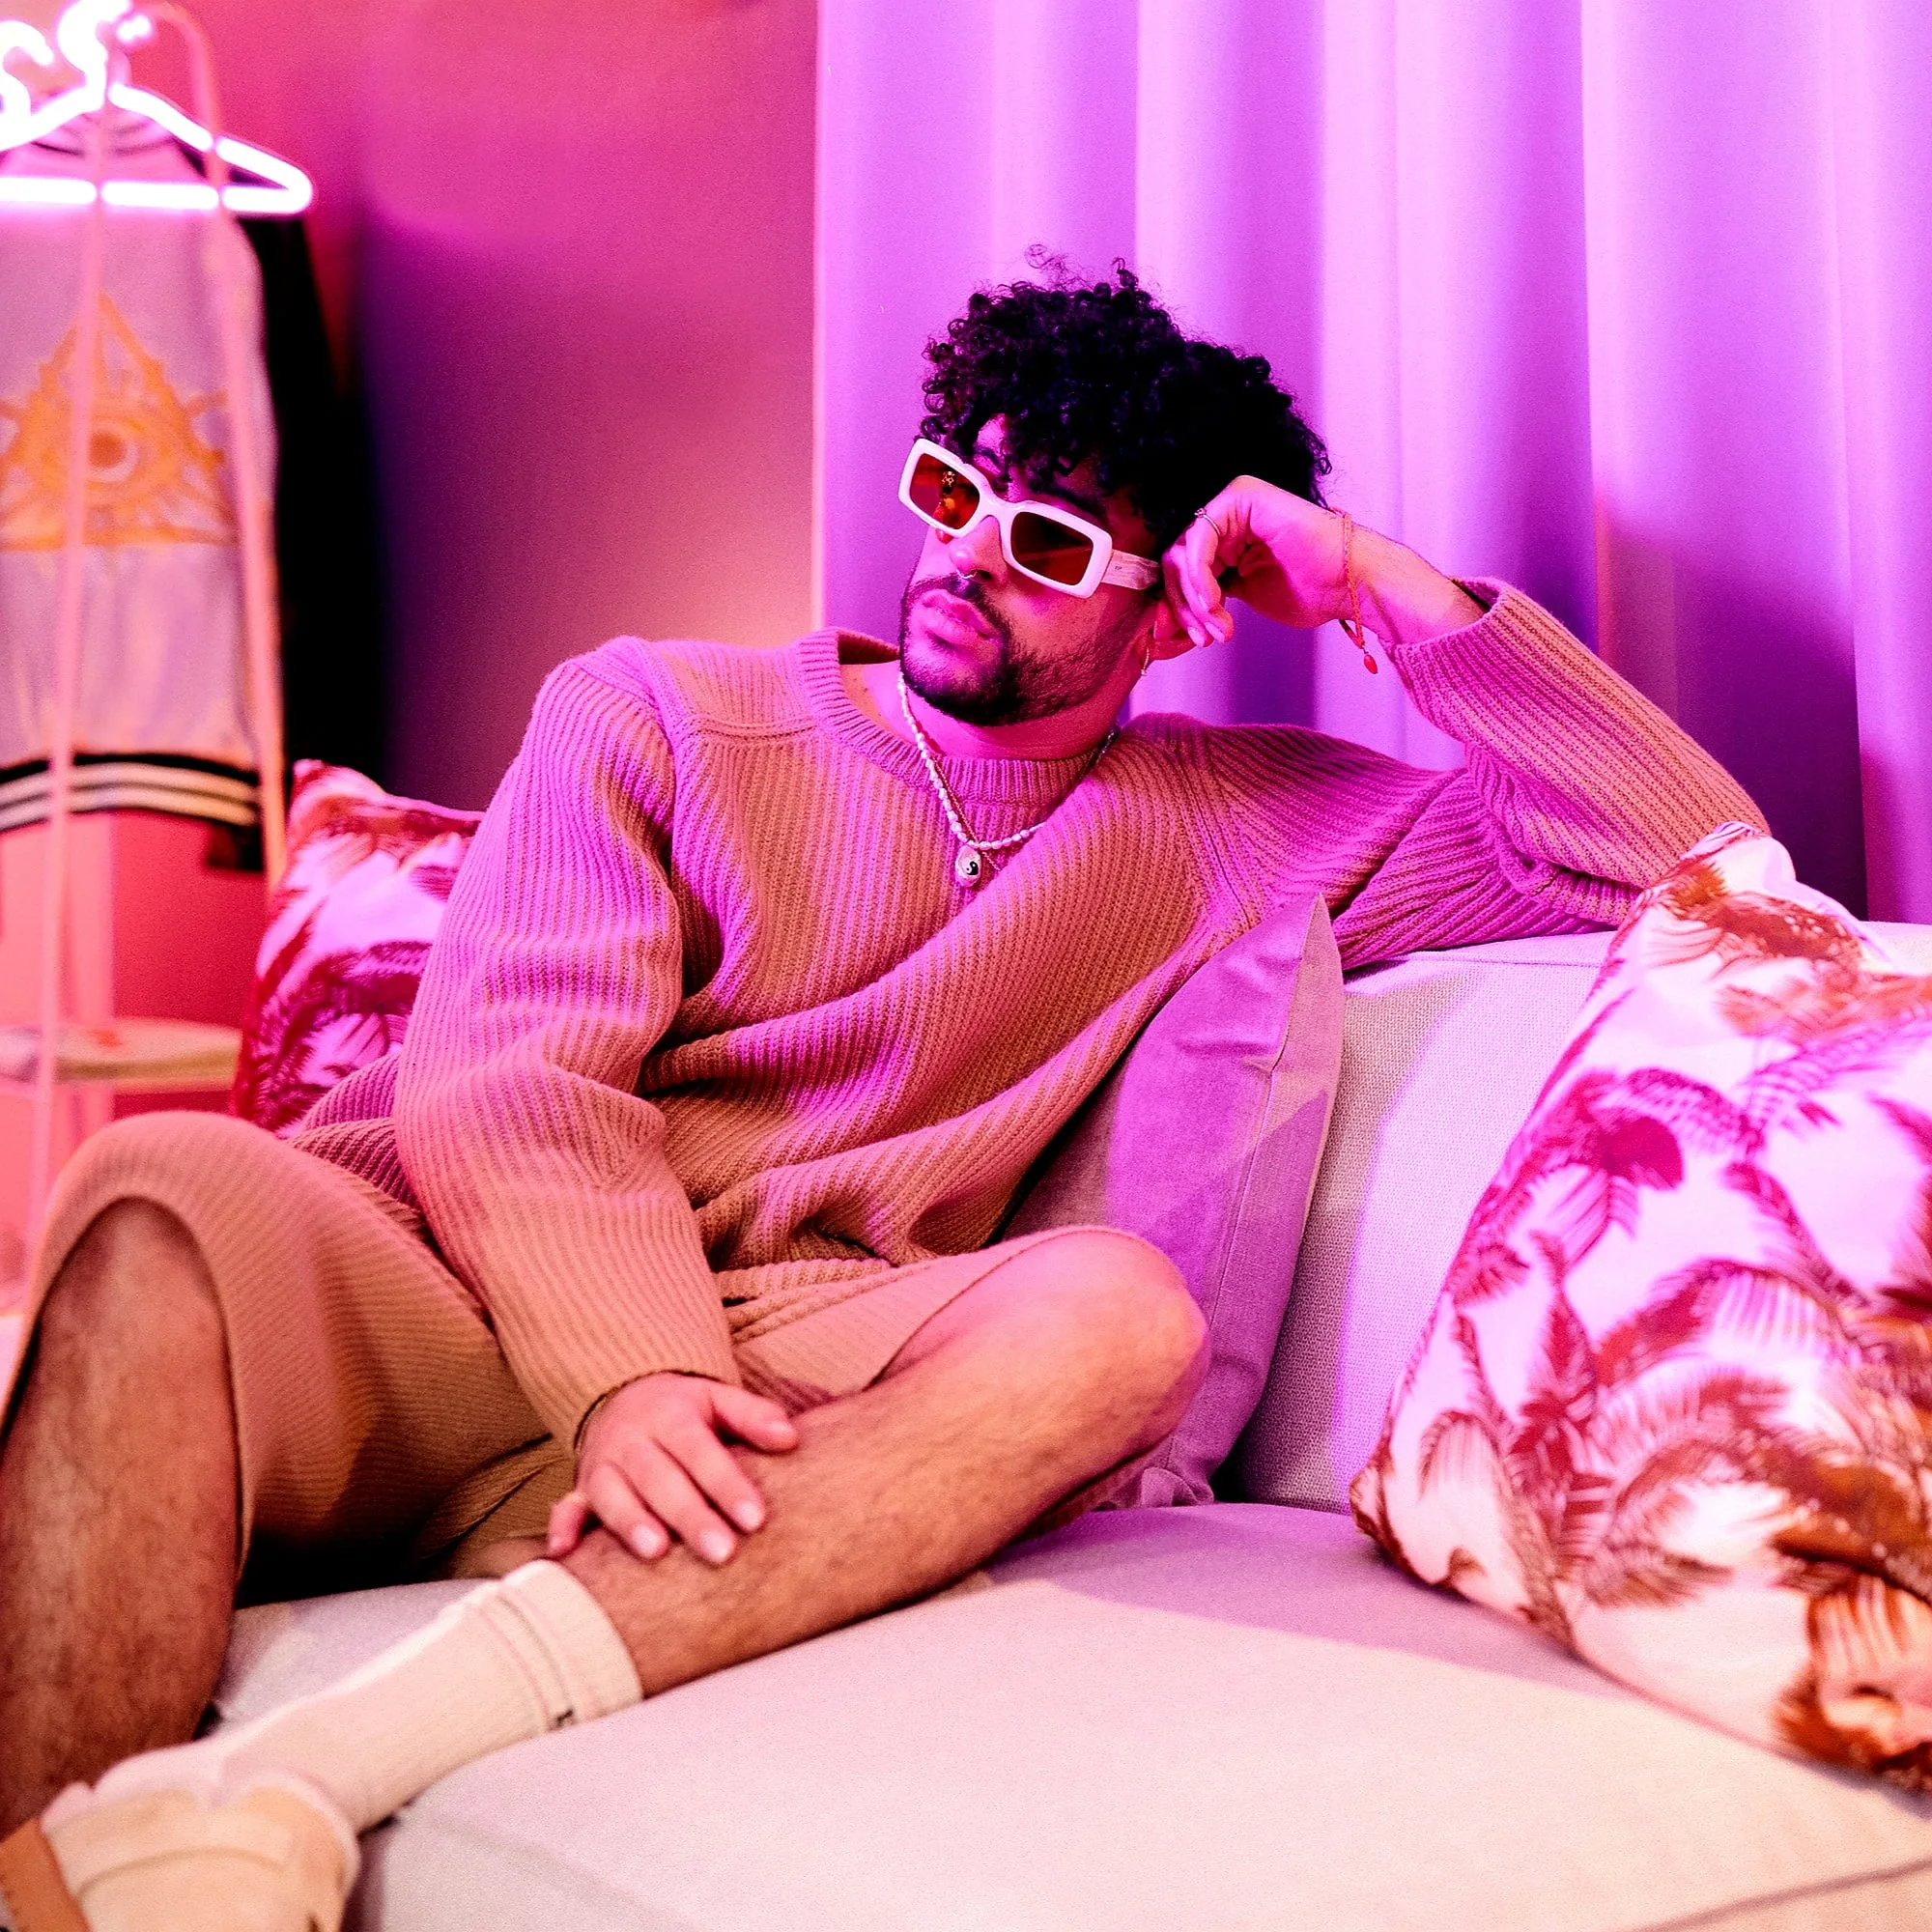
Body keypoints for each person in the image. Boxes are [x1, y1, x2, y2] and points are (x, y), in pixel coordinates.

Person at [0, 268, 1760, 1926]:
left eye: (1049, 541)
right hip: (448, 1284)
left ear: (1171, 610)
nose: (970, 558)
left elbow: (1679, 857)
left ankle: (296, 1781)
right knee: (162, 1189)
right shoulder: (651, 714)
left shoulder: (1253, 823)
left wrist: (1376, 579)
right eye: (953, 492)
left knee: (1116, 1318)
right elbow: (515, 1076)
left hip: (819, 1354)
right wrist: (636, 1371)